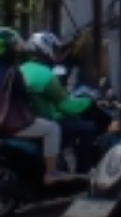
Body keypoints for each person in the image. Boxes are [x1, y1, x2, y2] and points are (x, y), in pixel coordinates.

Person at [0, 27, 70, 184]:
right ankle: (51, 172)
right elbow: (24, 97)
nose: (18, 49)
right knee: (52, 128)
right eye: (14, 45)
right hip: (10, 123)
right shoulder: (12, 72)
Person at [21, 32, 96, 174]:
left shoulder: (22, 68)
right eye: (55, 49)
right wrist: (89, 101)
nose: (57, 54)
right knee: (89, 128)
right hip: (46, 119)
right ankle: (83, 172)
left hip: (29, 119)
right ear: (45, 49)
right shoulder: (45, 74)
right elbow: (66, 106)